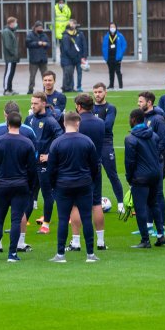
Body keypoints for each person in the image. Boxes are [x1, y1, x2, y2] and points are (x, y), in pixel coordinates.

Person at [0, 112, 38, 263]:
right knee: (16, 220)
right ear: (20, 124)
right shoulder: (27, 143)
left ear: (7, 123)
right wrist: (30, 187)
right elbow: (32, 169)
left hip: (2, 185)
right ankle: (12, 254)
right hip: (21, 185)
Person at [47, 111, 100, 263]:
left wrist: (54, 185)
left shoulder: (57, 143)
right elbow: (95, 166)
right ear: (78, 123)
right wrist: (90, 180)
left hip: (63, 185)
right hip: (83, 184)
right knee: (87, 218)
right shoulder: (87, 141)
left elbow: (51, 169)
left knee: (63, 219)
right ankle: (90, 254)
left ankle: (60, 254)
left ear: (64, 123)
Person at [66, 93, 107, 252]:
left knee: (75, 204)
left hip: (78, 167)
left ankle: (76, 242)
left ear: (79, 106)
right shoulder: (100, 123)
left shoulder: (77, 124)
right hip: (95, 165)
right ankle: (101, 241)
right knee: (96, 203)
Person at [124, 108, 165, 248]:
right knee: (154, 204)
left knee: (140, 208)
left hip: (140, 177)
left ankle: (145, 240)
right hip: (155, 174)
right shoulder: (153, 135)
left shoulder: (130, 139)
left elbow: (129, 162)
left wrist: (129, 178)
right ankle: (161, 235)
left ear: (133, 120)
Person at [26, 92, 63, 234]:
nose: (33, 106)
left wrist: (50, 155)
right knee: (28, 193)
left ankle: (45, 225)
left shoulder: (50, 121)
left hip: (44, 165)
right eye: (32, 103)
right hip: (30, 164)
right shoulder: (29, 119)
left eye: (35, 103)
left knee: (47, 194)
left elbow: (60, 138)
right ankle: (23, 222)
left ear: (43, 103)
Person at [139, 90, 165, 235]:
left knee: (158, 194)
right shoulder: (143, 118)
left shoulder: (158, 119)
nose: (138, 104)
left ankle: (162, 227)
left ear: (149, 102)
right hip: (146, 162)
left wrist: (153, 155)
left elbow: (164, 141)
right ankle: (148, 225)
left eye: (141, 101)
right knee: (147, 194)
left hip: (155, 162)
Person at [93, 83, 125, 213]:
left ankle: (121, 204)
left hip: (105, 143)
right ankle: (95, 202)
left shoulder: (110, 108)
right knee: (94, 175)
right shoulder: (89, 107)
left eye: (100, 92)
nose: (97, 95)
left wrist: (91, 124)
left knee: (112, 174)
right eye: (95, 92)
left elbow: (108, 126)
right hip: (92, 144)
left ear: (105, 92)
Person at [26, 20, 50, 94]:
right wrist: (37, 43)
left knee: (45, 76)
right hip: (34, 60)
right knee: (32, 76)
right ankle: (30, 90)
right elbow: (28, 44)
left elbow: (49, 45)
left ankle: (46, 89)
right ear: (35, 28)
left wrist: (45, 44)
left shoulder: (44, 35)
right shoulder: (30, 35)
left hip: (43, 60)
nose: (40, 29)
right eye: (39, 27)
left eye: (41, 27)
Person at [59, 19, 83, 93]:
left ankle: (70, 88)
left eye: (74, 24)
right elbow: (66, 49)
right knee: (67, 74)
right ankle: (66, 88)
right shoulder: (66, 36)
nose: (73, 25)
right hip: (66, 60)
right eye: (72, 24)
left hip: (69, 60)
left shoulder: (69, 35)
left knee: (70, 74)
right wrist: (73, 56)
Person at [101, 23, 126, 89]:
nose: (112, 28)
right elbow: (104, 46)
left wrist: (120, 54)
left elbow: (124, 45)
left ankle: (121, 85)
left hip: (117, 57)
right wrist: (105, 57)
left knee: (118, 71)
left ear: (116, 27)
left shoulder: (120, 36)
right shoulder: (106, 36)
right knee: (111, 71)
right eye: (111, 27)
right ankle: (111, 85)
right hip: (109, 57)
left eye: (113, 27)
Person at [1, 16, 20, 95]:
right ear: (11, 23)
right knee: (8, 73)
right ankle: (6, 90)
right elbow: (8, 45)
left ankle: (10, 89)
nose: (16, 24)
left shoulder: (11, 31)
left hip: (13, 57)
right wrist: (14, 53)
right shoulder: (6, 31)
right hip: (10, 57)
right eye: (15, 22)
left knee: (11, 73)